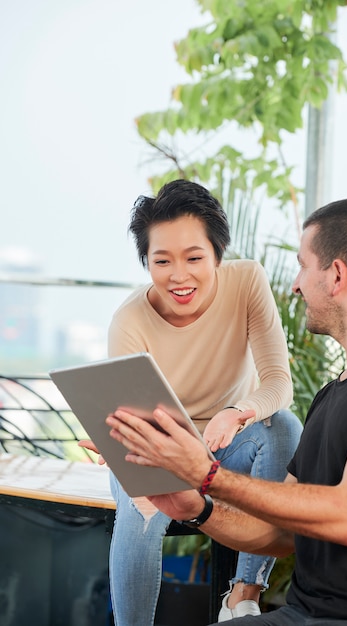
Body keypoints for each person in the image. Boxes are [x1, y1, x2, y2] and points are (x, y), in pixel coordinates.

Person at [107, 197, 347, 626]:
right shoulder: (332, 396)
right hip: (299, 615)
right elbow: (281, 533)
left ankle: (244, 592)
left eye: (303, 266)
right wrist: (194, 507)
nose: (294, 285)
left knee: (280, 425)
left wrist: (208, 472)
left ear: (337, 275)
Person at [89, 179, 302, 625]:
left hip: (231, 445)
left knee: (284, 426)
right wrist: (116, 442)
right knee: (140, 503)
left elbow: (279, 382)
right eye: (162, 260)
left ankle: (241, 596)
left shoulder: (246, 282)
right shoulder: (129, 322)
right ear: (147, 261)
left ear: (218, 255)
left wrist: (236, 412)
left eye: (194, 258)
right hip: (162, 450)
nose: (178, 276)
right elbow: (132, 427)